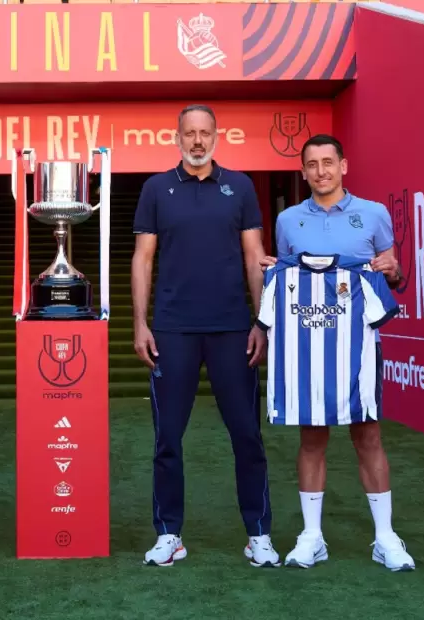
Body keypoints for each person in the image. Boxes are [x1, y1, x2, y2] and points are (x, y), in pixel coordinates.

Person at [131, 104, 280, 568]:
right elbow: (143, 258)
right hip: (172, 329)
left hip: (232, 328)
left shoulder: (241, 186)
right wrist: (140, 322)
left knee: (247, 435)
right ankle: (168, 534)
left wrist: (262, 321)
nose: (197, 141)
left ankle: (258, 534)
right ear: (176, 138)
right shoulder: (157, 188)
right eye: (189, 133)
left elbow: (255, 256)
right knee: (167, 439)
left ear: (217, 136)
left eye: (205, 133)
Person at [261, 133, 415, 571]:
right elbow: (287, 276)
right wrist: (274, 271)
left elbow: (394, 276)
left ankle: (385, 537)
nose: (321, 171)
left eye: (328, 162)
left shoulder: (374, 214)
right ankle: (312, 537)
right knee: (312, 438)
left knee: (368, 436)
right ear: (303, 171)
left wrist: (393, 269)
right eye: (312, 164)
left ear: (343, 165)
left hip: (359, 346)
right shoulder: (288, 220)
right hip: (309, 348)